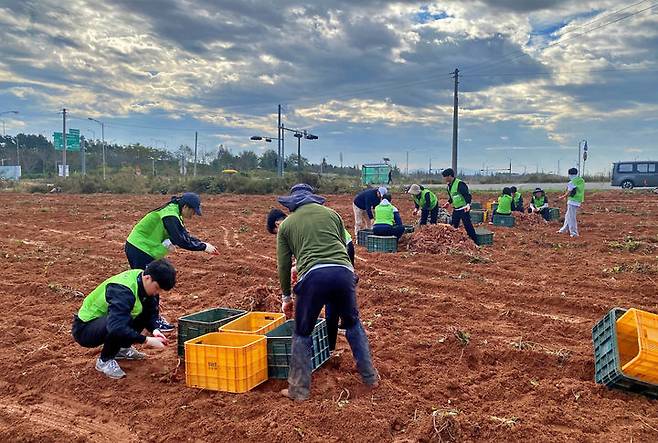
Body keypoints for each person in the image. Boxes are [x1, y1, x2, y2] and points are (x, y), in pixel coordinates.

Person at [276, 184, 377, 401]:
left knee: (302, 333)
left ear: (292, 204)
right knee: (353, 324)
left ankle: (299, 390)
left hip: (313, 278)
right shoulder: (333, 215)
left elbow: (284, 266)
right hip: (343, 273)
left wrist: (286, 298)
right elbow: (343, 245)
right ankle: (370, 377)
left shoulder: (286, 225)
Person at [267, 205, 355, 354]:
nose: (279, 236)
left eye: (277, 233)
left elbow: (293, 260)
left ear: (277, 224)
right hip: (343, 250)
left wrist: (287, 296)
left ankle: (330, 346)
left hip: (340, 251)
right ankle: (335, 337)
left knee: (328, 300)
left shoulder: (291, 226)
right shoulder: (300, 220)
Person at [125, 192, 217, 332]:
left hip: (144, 249)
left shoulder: (174, 212)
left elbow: (183, 235)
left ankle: (151, 318)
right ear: (185, 206)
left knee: (151, 285)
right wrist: (203, 247)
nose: (193, 215)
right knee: (150, 285)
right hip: (140, 248)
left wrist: (202, 243)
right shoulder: (170, 215)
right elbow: (180, 240)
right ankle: (151, 321)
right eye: (193, 211)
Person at [71, 259, 176, 379]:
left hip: (107, 322)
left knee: (136, 313)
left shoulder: (142, 280)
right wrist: (147, 340)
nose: (156, 293)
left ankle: (122, 348)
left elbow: (149, 312)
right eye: (157, 288)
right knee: (118, 323)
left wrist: (155, 330)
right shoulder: (122, 290)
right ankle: (104, 361)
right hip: (85, 329)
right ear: (147, 278)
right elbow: (116, 327)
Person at [441, 168, 478, 243]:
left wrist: (468, 205)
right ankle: (453, 240)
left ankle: (474, 241)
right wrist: (448, 203)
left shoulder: (460, 184)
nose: (444, 178)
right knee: (453, 225)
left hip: (464, 208)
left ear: (450, 176)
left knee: (467, 225)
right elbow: (452, 196)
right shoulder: (448, 186)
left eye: (445, 176)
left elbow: (467, 195)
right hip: (456, 209)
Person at [558, 168, 585, 238]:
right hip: (578, 200)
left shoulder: (572, 182)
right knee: (568, 215)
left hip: (572, 200)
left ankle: (574, 233)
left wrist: (562, 197)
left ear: (569, 174)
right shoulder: (581, 180)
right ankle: (564, 229)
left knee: (571, 217)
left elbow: (569, 191)